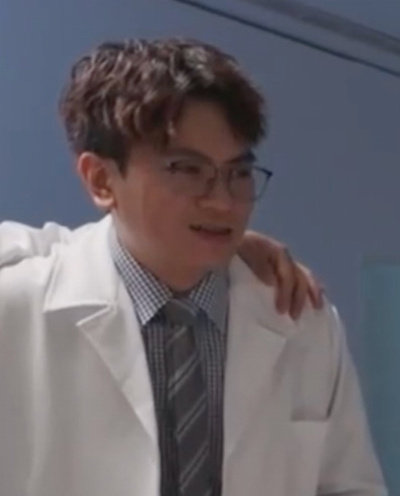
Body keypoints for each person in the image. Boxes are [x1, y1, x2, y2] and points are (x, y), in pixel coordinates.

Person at [0, 38, 386, 496]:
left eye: (237, 173)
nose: (223, 202)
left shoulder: (302, 319)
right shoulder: (17, 313)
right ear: (101, 180)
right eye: (186, 170)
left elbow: (350, 486)